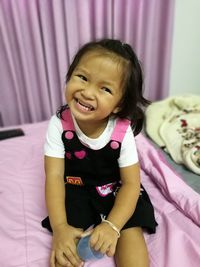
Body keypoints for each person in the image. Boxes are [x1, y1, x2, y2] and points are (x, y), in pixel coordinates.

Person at [42, 38, 157, 267]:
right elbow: (54, 177)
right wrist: (60, 228)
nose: (87, 92)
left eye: (105, 88)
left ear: (118, 104)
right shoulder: (59, 124)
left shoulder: (121, 131)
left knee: (130, 237)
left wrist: (113, 226)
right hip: (77, 188)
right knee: (64, 255)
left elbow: (131, 184)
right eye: (82, 78)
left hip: (116, 189)